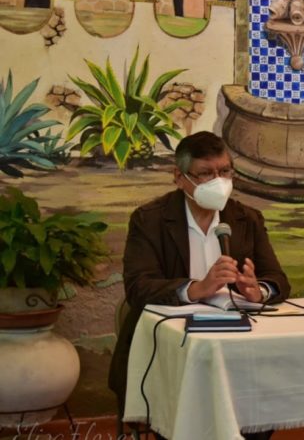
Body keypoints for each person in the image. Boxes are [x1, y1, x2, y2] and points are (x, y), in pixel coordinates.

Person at [109, 132, 290, 439]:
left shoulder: (247, 218)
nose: (218, 181)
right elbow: (138, 288)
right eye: (206, 174)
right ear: (179, 177)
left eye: (225, 171)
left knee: (261, 410)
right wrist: (196, 289)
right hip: (169, 352)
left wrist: (257, 290)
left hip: (235, 351)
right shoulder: (149, 220)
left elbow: (278, 280)